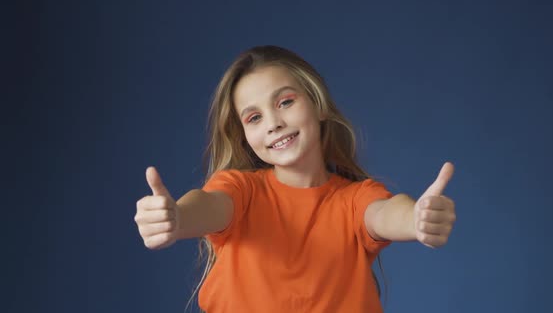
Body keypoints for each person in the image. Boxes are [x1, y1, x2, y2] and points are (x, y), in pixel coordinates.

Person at [134, 45, 457, 312]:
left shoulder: (353, 200)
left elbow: (384, 212)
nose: (273, 123)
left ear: (318, 106)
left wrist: (416, 218)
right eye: (255, 117)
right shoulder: (241, 191)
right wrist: (176, 217)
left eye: (285, 102)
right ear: (246, 136)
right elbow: (207, 205)